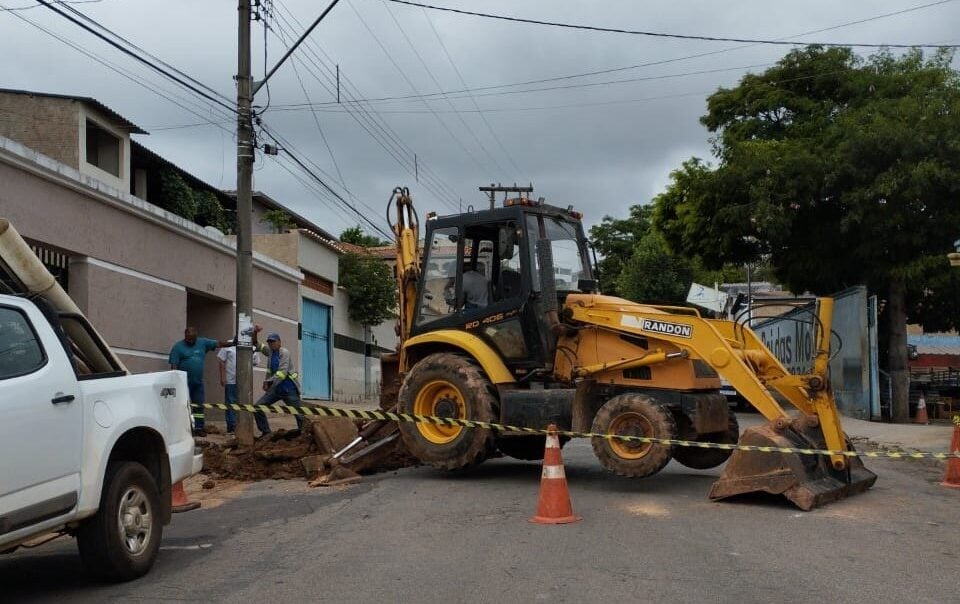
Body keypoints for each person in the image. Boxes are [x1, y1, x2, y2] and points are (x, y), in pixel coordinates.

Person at [169, 327, 232, 436]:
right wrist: (176, 382)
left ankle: (199, 428)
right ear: (185, 336)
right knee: (184, 406)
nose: (191, 341)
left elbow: (218, 343)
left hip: (198, 383)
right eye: (189, 340)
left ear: (196, 336)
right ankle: (184, 429)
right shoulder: (177, 347)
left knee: (199, 406)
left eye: (193, 339)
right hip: (184, 383)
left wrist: (233, 343)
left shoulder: (202, 342)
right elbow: (173, 367)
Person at [252, 330, 306, 436]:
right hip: (276, 389)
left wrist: (268, 381)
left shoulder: (284, 352)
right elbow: (256, 344)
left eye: (273, 341)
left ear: (279, 342)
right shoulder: (270, 352)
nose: (271, 344)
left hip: (289, 389)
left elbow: (282, 373)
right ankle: (266, 432)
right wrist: (255, 333)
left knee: (300, 415)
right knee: (258, 407)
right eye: (270, 342)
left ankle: (304, 434)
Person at [218, 344, 262, 434]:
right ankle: (231, 427)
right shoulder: (228, 345)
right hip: (231, 381)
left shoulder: (252, 347)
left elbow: (256, 362)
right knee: (230, 403)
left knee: (244, 404)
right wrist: (223, 377)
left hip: (245, 382)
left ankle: (244, 426)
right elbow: (221, 361)